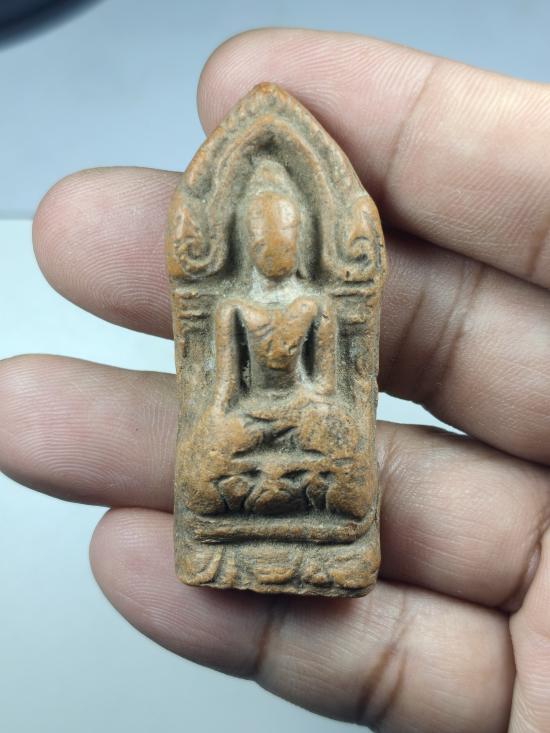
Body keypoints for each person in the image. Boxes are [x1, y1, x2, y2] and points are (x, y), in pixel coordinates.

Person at [1, 28, 549, 732]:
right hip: (254, 428)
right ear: (243, 239)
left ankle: (303, 522)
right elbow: (223, 398)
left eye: (284, 232)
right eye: (261, 233)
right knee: (206, 458)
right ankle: (254, 519)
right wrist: (251, 426)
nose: (273, 243)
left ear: (303, 237)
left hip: (303, 426)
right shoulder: (233, 308)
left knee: (345, 453)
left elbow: (327, 393)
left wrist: (305, 417)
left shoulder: (314, 307)